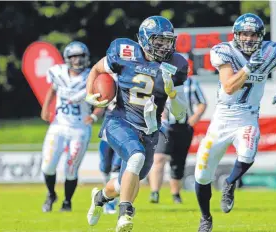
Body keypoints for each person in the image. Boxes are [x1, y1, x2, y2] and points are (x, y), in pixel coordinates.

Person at [194, 13, 276, 231]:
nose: (248, 38)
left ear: (260, 36)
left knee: (248, 152)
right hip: (222, 119)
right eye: (244, 34)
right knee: (202, 175)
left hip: (247, 116)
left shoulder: (271, 51)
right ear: (236, 35)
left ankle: (230, 183)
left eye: (253, 34)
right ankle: (205, 218)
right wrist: (249, 67)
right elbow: (229, 87)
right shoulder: (224, 51)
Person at [85, 16, 188, 232]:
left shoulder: (174, 65)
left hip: (150, 130)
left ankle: (100, 197)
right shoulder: (125, 52)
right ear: (144, 39)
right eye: (159, 41)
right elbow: (96, 69)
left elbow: (180, 113)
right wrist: (89, 94)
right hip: (119, 121)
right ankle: (125, 214)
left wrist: (173, 94)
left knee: (125, 183)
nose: (164, 46)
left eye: (168, 41)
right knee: (136, 156)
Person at [41, 41, 104, 212]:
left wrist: (93, 116)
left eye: (80, 56)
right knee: (47, 166)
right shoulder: (58, 72)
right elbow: (53, 89)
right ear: (67, 58)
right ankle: (51, 194)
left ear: (86, 57)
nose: (77, 60)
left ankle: (67, 201)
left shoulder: (92, 76)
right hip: (58, 125)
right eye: (73, 56)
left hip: (79, 128)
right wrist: (46, 107)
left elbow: (104, 99)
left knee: (71, 169)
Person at [149, 76, 207, 204]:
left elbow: (202, 102)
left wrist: (196, 116)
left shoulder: (191, 82)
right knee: (159, 158)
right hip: (164, 127)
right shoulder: (160, 81)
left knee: (178, 163)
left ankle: (176, 194)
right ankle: (154, 192)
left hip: (184, 127)